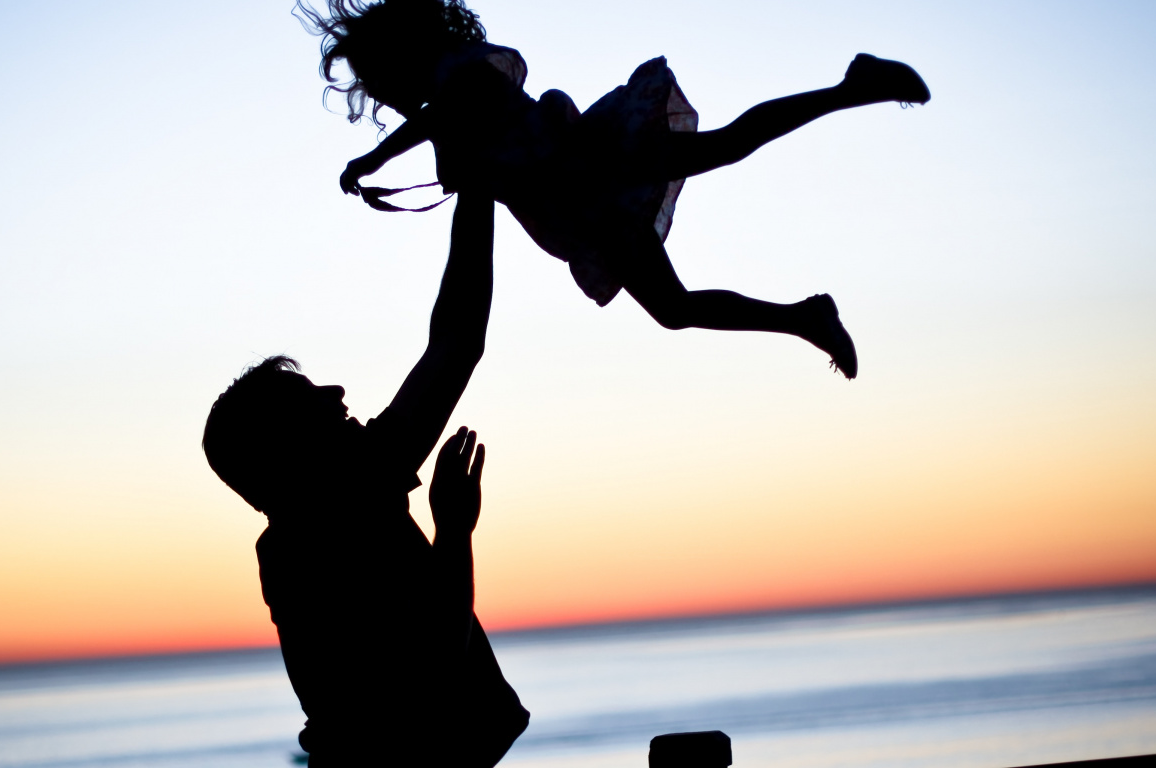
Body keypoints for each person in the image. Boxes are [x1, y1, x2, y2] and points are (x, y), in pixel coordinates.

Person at [296, 0, 934, 379]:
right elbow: (460, 154)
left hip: (595, 167)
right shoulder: (451, 94)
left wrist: (376, 157)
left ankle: (853, 87)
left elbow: (447, 121)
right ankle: (803, 318)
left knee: (727, 149)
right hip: (586, 205)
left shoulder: (459, 77)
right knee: (676, 307)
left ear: (398, 58)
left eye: (374, 78)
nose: (376, 93)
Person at [202, 193, 528, 767]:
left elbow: (456, 344)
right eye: (312, 402)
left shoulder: (336, 499)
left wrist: (477, 191)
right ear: (292, 450)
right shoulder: (325, 527)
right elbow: (432, 670)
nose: (338, 393)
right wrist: (454, 531)